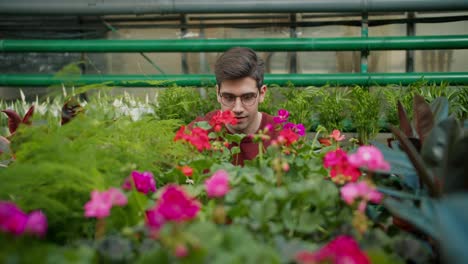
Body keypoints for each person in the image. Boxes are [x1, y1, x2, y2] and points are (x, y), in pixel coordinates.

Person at [189, 47, 280, 166]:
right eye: (229, 97)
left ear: (262, 94)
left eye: (247, 97)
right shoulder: (197, 133)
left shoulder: (280, 135)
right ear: (218, 93)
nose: (237, 109)